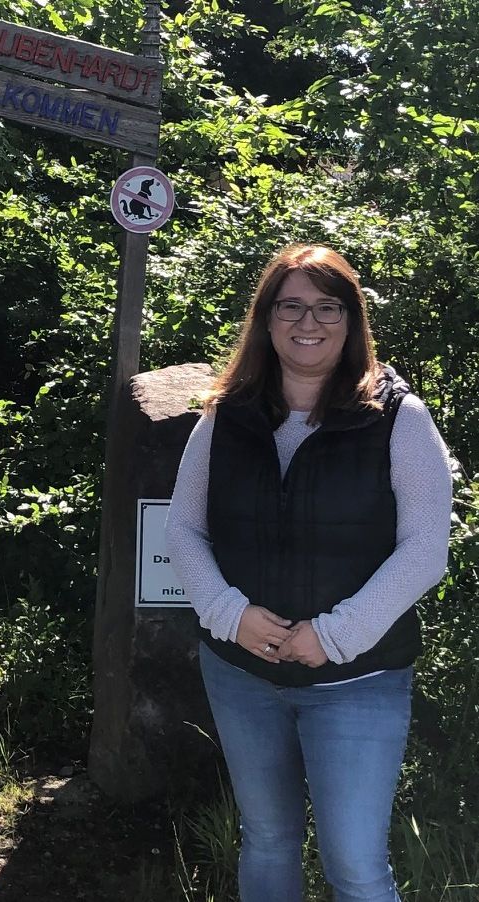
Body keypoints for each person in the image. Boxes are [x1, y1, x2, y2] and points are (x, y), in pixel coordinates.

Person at [166, 244, 451, 901]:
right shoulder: (225, 415)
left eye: (327, 307)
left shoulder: (396, 419)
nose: (308, 322)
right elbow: (182, 527)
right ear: (265, 319)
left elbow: (423, 550)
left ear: (351, 322)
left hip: (358, 679)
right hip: (241, 674)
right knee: (266, 841)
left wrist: (333, 633)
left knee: (353, 865)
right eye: (289, 305)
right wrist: (227, 613)